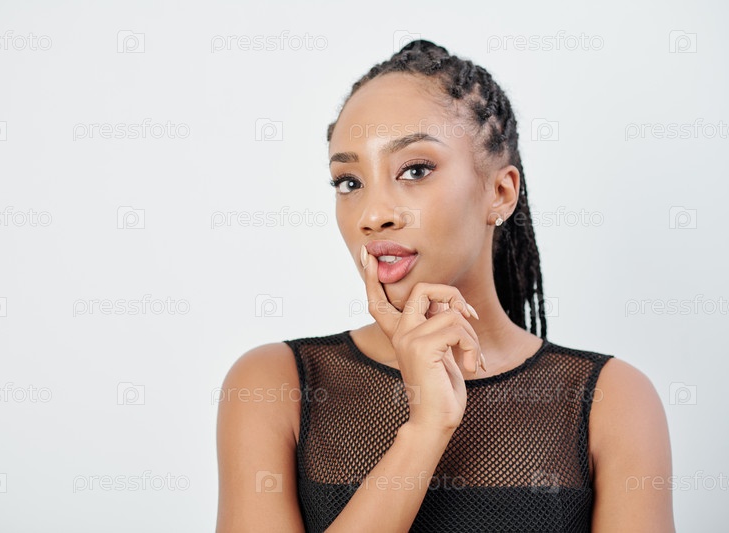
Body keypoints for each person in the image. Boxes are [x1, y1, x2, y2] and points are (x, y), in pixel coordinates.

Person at [216, 39, 675, 532]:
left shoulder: (612, 401)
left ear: (500, 192)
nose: (373, 215)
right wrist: (425, 430)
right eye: (349, 182)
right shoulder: (274, 385)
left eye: (415, 170)